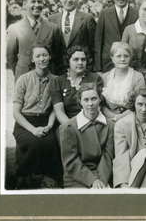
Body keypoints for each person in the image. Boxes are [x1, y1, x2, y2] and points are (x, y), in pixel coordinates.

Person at [12, 44, 62, 189]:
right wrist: (33, 130)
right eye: (38, 56)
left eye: (45, 55)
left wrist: (50, 125)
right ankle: (24, 176)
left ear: (50, 56)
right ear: (33, 60)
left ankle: (48, 178)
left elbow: (55, 108)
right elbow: (16, 112)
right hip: (25, 121)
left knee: (50, 143)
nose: (42, 59)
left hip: (47, 120)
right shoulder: (23, 79)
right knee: (34, 143)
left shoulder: (56, 80)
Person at [59, 84, 114, 188]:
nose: (90, 104)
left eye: (94, 99)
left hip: (103, 174)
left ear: (100, 100)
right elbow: (71, 162)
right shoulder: (68, 127)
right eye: (86, 100)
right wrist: (92, 180)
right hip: (77, 176)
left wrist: (100, 180)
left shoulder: (110, 126)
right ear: (80, 102)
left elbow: (108, 156)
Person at [6, 0, 60, 81]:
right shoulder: (14, 29)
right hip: (24, 79)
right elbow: (11, 58)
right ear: (25, 4)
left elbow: (59, 56)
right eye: (33, 2)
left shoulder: (53, 28)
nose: (37, 5)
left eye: (39, 2)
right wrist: (21, 72)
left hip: (48, 80)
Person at [48, 0, 96, 74]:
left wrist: (90, 69)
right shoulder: (52, 19)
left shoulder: (87, 19)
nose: (69, 0)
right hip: (57, 72)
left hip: (81, 70)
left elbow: (93, 47)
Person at [50, 45, 103, 124]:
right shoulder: (58, 81)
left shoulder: (95, 78)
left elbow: (98, 107)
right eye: (76, 59)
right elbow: (59, 111)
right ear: (68, 61)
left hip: (91, 122)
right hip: (67, 124)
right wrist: (71, 128)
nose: (80, 62)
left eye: (83, 59)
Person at [94, 0, 138, 72]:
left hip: (131, 64)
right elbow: (98, 43)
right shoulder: (104, 14)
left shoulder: (136, 14)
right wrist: (98, 69)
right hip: (108, 65)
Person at [101, 42, 145, 123]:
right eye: (118, 56)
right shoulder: (105, 77)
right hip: (108, 118)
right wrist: (112, 116)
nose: (122, 59)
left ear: (130, 57)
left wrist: (120, 117)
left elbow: (140, 103)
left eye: (126, 56)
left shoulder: (138, 77)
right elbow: (101, 104)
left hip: (131, 118)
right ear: (112, 57)